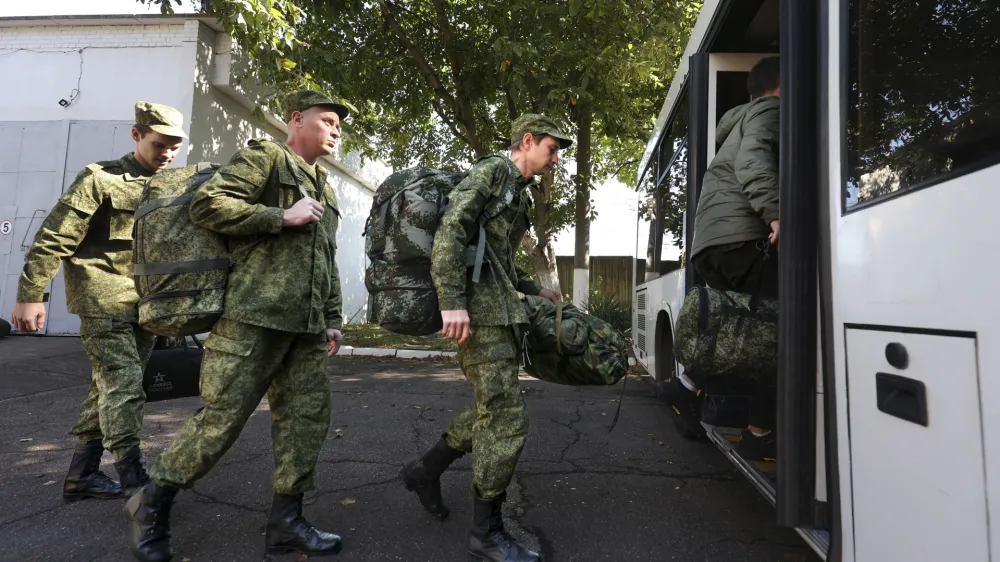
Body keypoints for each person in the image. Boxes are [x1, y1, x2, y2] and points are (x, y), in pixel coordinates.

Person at [124, 90, 349, 562]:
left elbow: (323, 259)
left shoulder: (323, 186)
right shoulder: (266, 158)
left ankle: (286, 522)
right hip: (252, 319)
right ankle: (153, 501)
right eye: (327, 121)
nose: (336, 131)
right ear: (297, 121)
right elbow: (208, 205)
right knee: (220, 422)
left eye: (338, 126)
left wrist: (330, 319)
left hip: (305, 330)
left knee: (305, 424)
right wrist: (279, 215)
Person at [400, 113, 571, 562]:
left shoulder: (518, 191)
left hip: (500, 313)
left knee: (488, 409)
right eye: (552, 149)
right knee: (507, 418)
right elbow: (451, 229)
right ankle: (486, 534)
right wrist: (451, 300)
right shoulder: (494, 171)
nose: (556, 160)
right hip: (478, 315)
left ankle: (425, 470)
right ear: (528, 141)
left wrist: (537, 288)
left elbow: (498, 257)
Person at [11, 102, 186, 501]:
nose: (168, 154)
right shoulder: (99, 178)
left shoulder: (170, 184)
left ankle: (81, 475)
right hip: (102, 298)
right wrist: (30, 296)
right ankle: (133, 478)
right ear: (136, 134)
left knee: (106, 387)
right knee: (124, 385)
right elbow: (53, 238)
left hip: (146, 301)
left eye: (175, 146)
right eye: (160, 144)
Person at [661, 55, 781, 462]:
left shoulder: (738, 122)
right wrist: (776, 213)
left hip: (711, 243)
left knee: (738, 327)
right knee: (779, 330)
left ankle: (686, 385)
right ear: (783, 85)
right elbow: (754, 163)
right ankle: (759, 431)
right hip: (741, 237)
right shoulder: (772, 110)